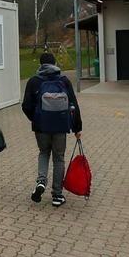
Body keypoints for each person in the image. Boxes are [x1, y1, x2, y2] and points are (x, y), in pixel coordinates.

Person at [22, 52, 82, 207]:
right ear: (55, 63)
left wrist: (35, 119)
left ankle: (41, 181)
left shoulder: (34, 81)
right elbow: (73, 104)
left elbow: (26, 106)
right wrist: (77, 127)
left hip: (41, 126)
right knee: (59, 158)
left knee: (43, 153)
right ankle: (57, 194)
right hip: (60, 126)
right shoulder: (64, 80)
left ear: (40, 64)